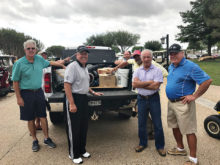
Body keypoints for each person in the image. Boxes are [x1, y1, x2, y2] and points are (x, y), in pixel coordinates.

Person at [12, 39, 66, 152]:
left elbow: (50, 63)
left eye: (33, 48)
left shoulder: (39, 59)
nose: (31, 50)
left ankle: (46, 138)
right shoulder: (19, 63)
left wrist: (62, 65)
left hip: (39, 92)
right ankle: (35, 140)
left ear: (36, 49)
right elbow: (15, 81)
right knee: (30, 118)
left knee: (43, 116)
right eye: (28, 48)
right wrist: (18, 98)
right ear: (25, 50)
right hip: (26, 93)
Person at [166, 44, 212, 165]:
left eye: (175, 53)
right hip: (171, 103)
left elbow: (207, 80)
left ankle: (193, 159)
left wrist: (195, 95)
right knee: (174, 126)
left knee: (189, 130)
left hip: (183, 104)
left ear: (182, 53)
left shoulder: (190, 66)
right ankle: (180, 148)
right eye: (171, 53)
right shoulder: (171, 66)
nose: (173, 55)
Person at [64, 45, 103, 164]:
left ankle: (82, 150)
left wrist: (93, 91)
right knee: (74, 128)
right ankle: (73, 154)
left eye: (86, 54)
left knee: (83, 126)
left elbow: (85, 83)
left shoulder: (84, 67)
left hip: (83, 98)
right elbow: (67, 85)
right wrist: (72, 103)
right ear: (77, 55)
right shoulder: (72, 67)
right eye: (81, 54)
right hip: (74, 98)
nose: (84, 56)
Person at [132, 49, 166, 156]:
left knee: (157, 124)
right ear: (141, 58)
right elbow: (134, 85)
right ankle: (142, 143)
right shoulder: (137, 70)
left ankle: (160, 146)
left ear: (152, 58)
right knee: (141, 123)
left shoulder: (157, 70)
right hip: (141, 98)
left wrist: (141, 83)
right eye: (144, 57)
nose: (146, 59)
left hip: (153, 98)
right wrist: (149, 82)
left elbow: (155, 86)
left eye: (148, 57)